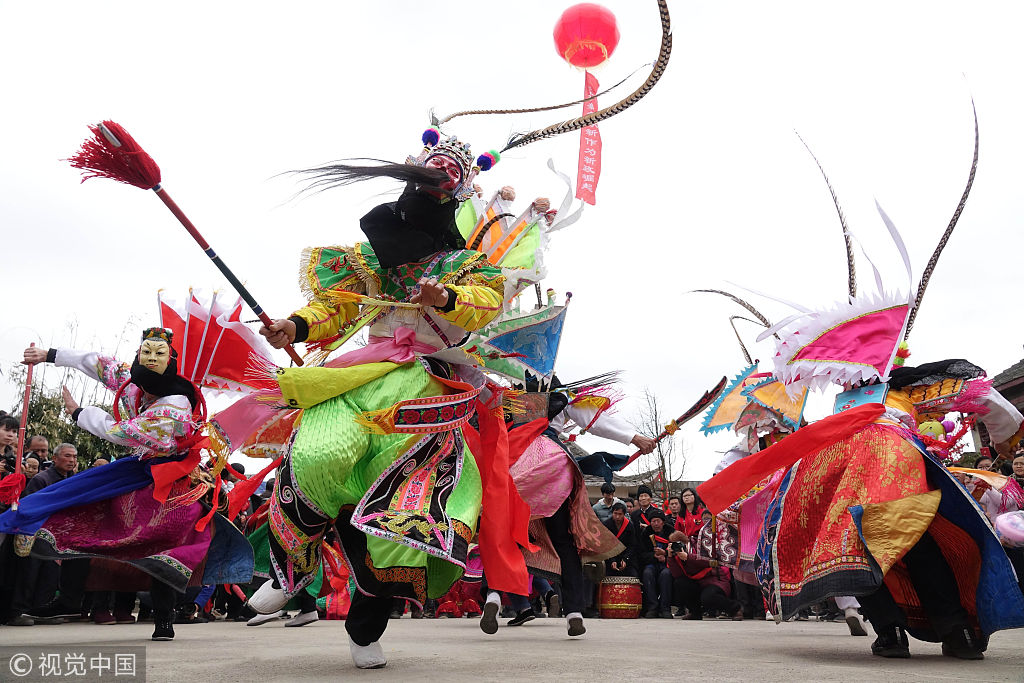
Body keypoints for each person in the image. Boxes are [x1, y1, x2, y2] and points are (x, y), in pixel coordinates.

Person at [228, 131, 514, 670]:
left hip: (427, 387)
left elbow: (480, 306)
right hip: (363, 375)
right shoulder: (369, 257)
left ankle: (366, 627)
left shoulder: (467, 266)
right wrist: (296, 324)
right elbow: (338, 308)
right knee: (315, 457)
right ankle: (288, 573)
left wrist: (446, 296)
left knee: (403, 520)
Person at [0, 331, 254, 640]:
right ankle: (46, 554)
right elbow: (99, 363)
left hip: (171, 478)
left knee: (167, 543)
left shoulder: (174, 408)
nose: (144, 387)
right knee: (76, 496)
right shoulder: (134, 380)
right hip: (139, 466)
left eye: (156, 358)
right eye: (143, 356)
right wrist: (49, 355)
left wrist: (79, 413)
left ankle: (164, 618)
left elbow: (123, 432)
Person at [637, 509, 673, 618]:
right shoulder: (646, 533)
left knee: (666, 575)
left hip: (666, 564)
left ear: (663, 522)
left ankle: (665, 608)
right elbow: (641, 554)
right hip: (652, 563)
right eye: (653, 521)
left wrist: (665, 554)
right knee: (647, 573)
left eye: (658, 521)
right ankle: (652, 607)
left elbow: (677, 550)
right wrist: (654, 556)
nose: (656, 524)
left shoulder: (671, 532)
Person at [602, 502, 638, 577]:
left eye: (620, 514)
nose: (617, 517)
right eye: (615, 513)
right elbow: (605, 545)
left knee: (633, 575)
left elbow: (632, 545)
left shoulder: (629, 526)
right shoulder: (606, 525)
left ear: (624, 514)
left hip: (626, 557)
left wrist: (625, 559)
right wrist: (612, 560)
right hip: (610, 557)